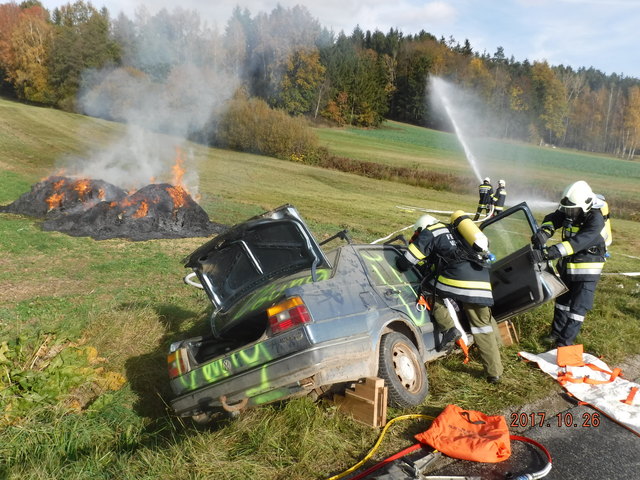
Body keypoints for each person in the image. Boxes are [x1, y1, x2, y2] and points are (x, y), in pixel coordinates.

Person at [397, 213, 503, 383]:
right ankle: (495, 370)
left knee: (428, 290)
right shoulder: (456, 231)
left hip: (459, 280)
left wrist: (402, 262)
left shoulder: (431, 232)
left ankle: (449, 329)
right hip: (482, 281)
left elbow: (406, 261)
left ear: (421, 228)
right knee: (483, 324)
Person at [531, 180, 607, 347]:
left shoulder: (596, 220)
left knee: (578, 309)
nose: (569, 213)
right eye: (567, 209)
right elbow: (553, 217)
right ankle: (555, 334)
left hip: (588, 269)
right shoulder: (572, 208)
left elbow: (578, 242)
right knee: (562, 302)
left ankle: (564, 342)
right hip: (569, 265)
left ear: (585, 206)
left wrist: (550, 252)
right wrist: (545, 231)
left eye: (572, 210)